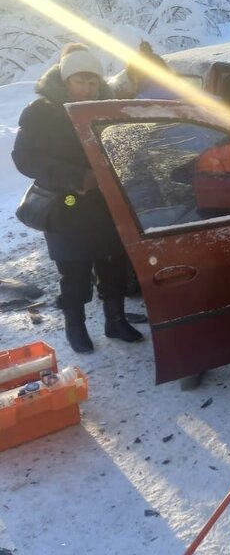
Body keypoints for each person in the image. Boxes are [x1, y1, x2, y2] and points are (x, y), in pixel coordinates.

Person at [12, 43, 144, 354]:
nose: (86, 87)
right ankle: (76, 326)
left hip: (107, 203)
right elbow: (25, 158)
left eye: (92, 81)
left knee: (113, 263)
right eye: (78, 81)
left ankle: (115, 320)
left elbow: (126, 146)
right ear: (65, 80)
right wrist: (76, 177)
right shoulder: (41, 113)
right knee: (74, 270)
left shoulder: (106, 108)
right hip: (66, 205)